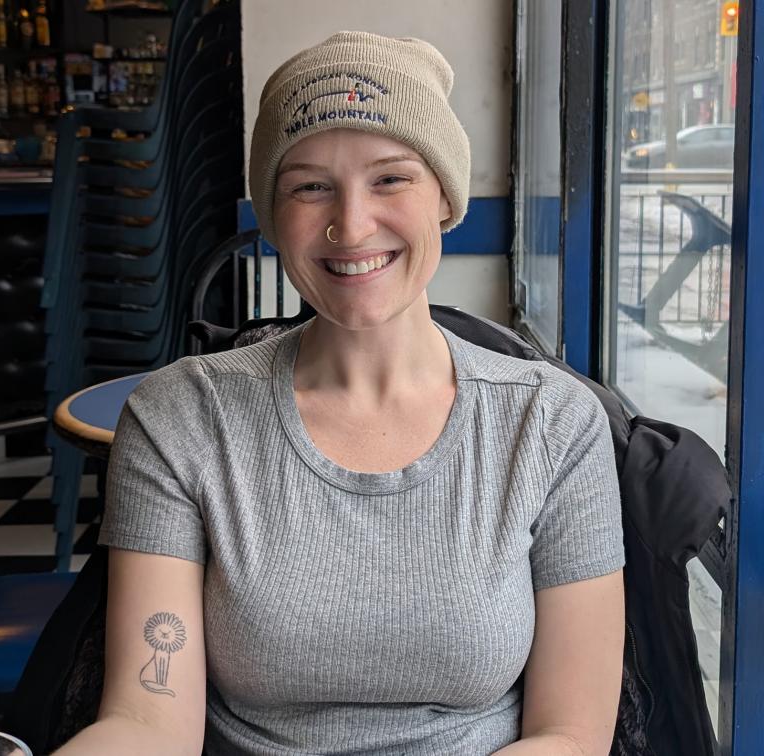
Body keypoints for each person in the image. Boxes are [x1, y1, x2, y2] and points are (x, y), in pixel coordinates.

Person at [56, 31, 624, 755]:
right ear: (271, 215)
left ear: (445, 198)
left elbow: (570, 734)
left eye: (390, 179)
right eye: (309, 185)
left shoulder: (551, 425)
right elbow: (147, 719)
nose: (351, 225)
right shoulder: (180, 419)